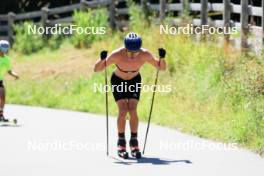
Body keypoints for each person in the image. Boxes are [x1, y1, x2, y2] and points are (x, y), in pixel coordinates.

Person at [94, 32, 166, 159]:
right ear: (125, 48)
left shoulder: (145, 54)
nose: (133, 55)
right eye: (130, 52)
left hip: (134, 80)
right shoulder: (117, 54)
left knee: (132, 110)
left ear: (140, 49)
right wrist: (101, 59)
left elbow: (161, 68)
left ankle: (134, 142)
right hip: (118, 80)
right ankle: (121, 142)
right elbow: (97, 69)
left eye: (136, 52)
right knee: (123, 110)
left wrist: (162, 58)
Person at [0, 40, 19, 122]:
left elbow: (9, 70)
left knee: (2, 97)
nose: (4, 51)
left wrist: (15, 75)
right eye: (2, 49)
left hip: (0, 80)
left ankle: (1, 115)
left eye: (6, 49)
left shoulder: (7, 59)